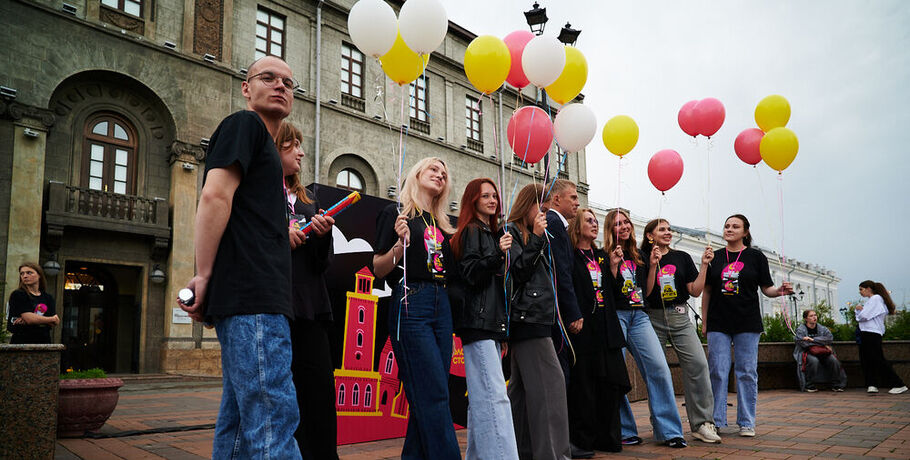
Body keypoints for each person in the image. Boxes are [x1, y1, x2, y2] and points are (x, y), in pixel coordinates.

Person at [178, 56, 302, 458]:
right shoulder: (244, 125)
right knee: (273, 419)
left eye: (288, 82)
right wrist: (204, 275)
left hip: (254, 300)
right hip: (255, 299)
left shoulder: (264, 146)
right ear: (246, 88)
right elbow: (215, 196)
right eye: (268, 78)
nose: (281, 85)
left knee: (238, 428)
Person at [372, 157, 460, 459]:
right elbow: (379, 269)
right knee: (433, 392)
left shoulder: (442, 224)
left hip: (441, 304)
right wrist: (399, 245)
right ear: (417, 174)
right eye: (433, 169)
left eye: (444, 173)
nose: (440, 174)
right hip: (412, 301)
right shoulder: (396, 214)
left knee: (432, 394)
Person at [276, 122, 338, 459]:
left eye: (301, 145)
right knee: (282, 393)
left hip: (311, 305)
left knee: (318, 391)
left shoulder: (306, 200)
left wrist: (321, 234)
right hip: (275, 303)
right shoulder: (257, 192)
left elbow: (320, 265)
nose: (300, 152)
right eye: (292, 145)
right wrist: (279, 239)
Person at [702, 214, 793, 438]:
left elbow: (767, 288)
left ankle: (746, 422)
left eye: (735, 226)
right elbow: (707, 291)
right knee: (717, 371)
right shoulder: (715, 256)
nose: (729, 229)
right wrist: (704, 322)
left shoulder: (756, 256)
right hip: (718, 322)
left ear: (745, 232)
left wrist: (780, 291)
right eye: (726, 226)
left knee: (747, 372)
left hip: (747, 322)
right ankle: (718, 421)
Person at [604, 210, 687, 448]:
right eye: (618, 223)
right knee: (617, 374)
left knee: (659, 368)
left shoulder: (639, 254)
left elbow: (648, 292)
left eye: (626, 222)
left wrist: (652, 267)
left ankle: (669, 431)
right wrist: (612, 267)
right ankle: (625, 429)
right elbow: (606, 293)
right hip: (617, 316)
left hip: (639, 315)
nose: (624, 226)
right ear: (610, 229)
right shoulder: (603, 254)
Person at [449, 178, 519, 460]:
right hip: (478, 324)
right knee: (494, 397)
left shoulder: (489, 233)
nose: (492, 200)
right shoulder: (472, 232)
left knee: (482, 399)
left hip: (488, 325)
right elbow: (471, 274)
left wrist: (502, 332)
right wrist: (497, 255)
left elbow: (496, 288)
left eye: (494, 196)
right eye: (485, 196)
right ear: (473, 200)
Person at [505, 183, 572, 460]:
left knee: (520, 395)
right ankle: (553, 455)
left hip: (533, 319)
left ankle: (520, 451)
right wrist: (535, 238)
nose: (544, 213)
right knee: (550, 389)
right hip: (527, 320)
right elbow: (518, 273)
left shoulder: (534, 235)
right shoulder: (512, 232)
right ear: (526, 205)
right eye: (540, 208)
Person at [640, 219, 721, 444]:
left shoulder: (682, 257)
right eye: (662, 229)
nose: (668, 233)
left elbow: (694, 291)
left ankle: (702, 423)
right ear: (649, 236)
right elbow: (644, 294)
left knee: (698, 364)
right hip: (652, 318)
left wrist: (704, 265)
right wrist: (654, 265)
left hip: (680, 316)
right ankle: (662, 425)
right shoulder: (641, 257)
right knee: (656, 372)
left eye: (669, 229)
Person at [567, 209, 631, 453]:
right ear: (577, 226)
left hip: (606, 329)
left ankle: (609, 438)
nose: (594, 225)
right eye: (589, 221)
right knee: (584, 387)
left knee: (610, 385)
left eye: (596, 221)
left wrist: (614, 268)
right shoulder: (571, 255)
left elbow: (615, 293)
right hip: (584, 329)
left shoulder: (602, 256)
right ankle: (584, 440)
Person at [855, 280, 907, 394]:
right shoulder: (873, 300)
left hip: (871, 333)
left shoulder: (876, 299)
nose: (860, 292)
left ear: (869, 288)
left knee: (877, 359)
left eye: (861, 289)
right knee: (867, 359)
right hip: (868, 332)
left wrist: (858, 311)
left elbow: (864, 316)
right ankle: (872, 384)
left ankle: (898, 383)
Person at [793, 309, 847, 392]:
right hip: (807, 352)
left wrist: (812, 340)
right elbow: (803, 343)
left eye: (815, 315)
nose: (814, 317)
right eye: (811, 316)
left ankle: (836, 384)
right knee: (814, 361)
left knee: (833, 360)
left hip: (823, 352)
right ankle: (809, 384)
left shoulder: (822, 328)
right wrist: (822, 343)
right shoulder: (800, 330)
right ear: (806, 319)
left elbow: (829, 338)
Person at [7, 262, 59, 344]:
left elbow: (55, 322)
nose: (25, 276)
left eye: (29, 272)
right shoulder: (19, 294)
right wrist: (49, 319)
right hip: (22, 342)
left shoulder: (48, 297)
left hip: (44, 342)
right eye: (22, 273)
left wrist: (33, 319)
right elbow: (30, 319)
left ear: (39, 275)